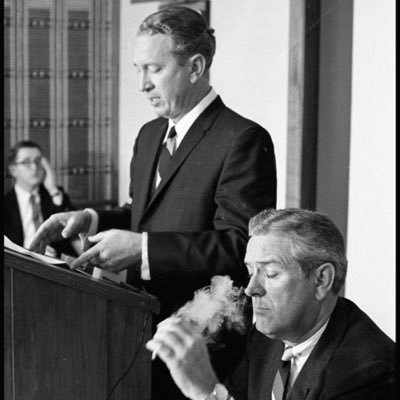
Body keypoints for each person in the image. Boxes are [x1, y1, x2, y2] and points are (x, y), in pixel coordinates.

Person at [29, 6, 277, 399]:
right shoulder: (148, 135)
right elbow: (144, 213)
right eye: (137, 69)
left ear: (195, 67)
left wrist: (142, 248)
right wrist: (91, 218)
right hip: (137, 328)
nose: (142, 84)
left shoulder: (241, 139)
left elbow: (240, 246)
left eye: (154, 69)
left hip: (201, 343)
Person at [146, 208, 395, 400]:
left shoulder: (368, 373)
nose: (251, 288)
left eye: (271, 273)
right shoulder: (265, 339)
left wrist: (205, 391)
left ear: (321, 280)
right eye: (251, 270)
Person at [4, 140, 78, 258]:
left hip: (58, 264)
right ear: (13, 170)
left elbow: (73, 230)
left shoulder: (55, 195)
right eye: (26, 162)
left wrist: (53, 190)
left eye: (38, 161)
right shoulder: (5, 204)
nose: (34, 167)